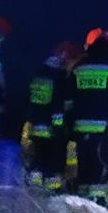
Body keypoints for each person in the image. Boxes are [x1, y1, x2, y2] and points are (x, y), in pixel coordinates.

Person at [68, 28, 108, 201]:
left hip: (80, 128)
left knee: (84, 168)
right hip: (102, 128)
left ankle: (80, 204)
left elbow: (69, 101)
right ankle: (97, 206)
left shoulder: (78, 68)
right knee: (100, 168)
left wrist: (70, 124)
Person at [24, 41, 79, 192]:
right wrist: (60, 127)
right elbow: (57, 104)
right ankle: (51, 195)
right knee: (52, 165)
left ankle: (33, 191)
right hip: (51, 128)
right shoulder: (59, 77)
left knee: (37, 161)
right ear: (66, 59)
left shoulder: (40, 72)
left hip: (36, 126)